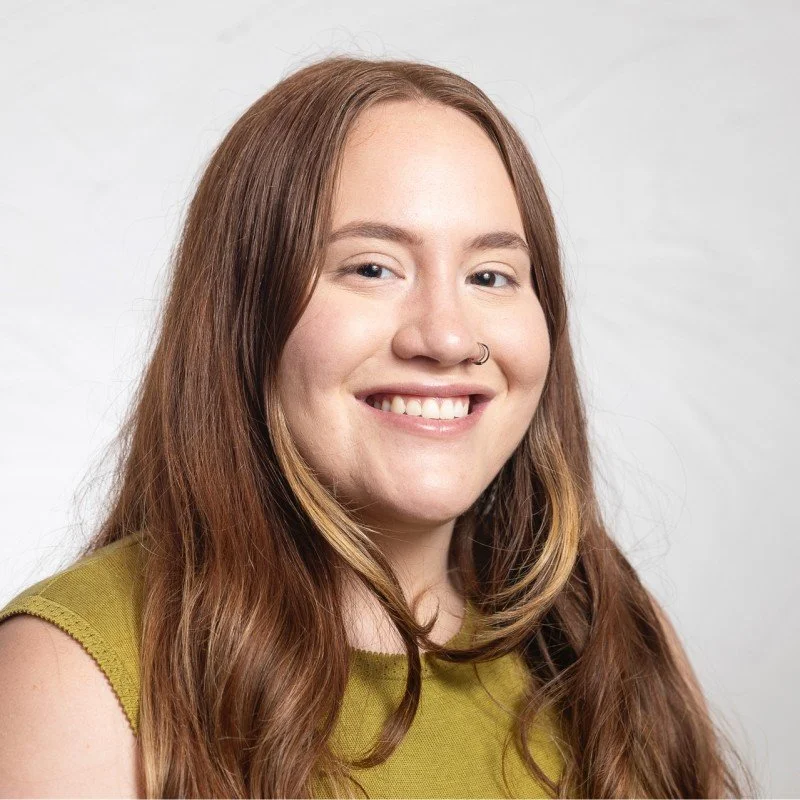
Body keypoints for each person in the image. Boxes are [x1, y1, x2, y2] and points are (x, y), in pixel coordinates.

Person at [0, 55, 756, 798]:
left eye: (491, 276)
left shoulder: (610, 640)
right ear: (242, 318)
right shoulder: (72, 672)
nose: (449, 337)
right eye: (372, 268)